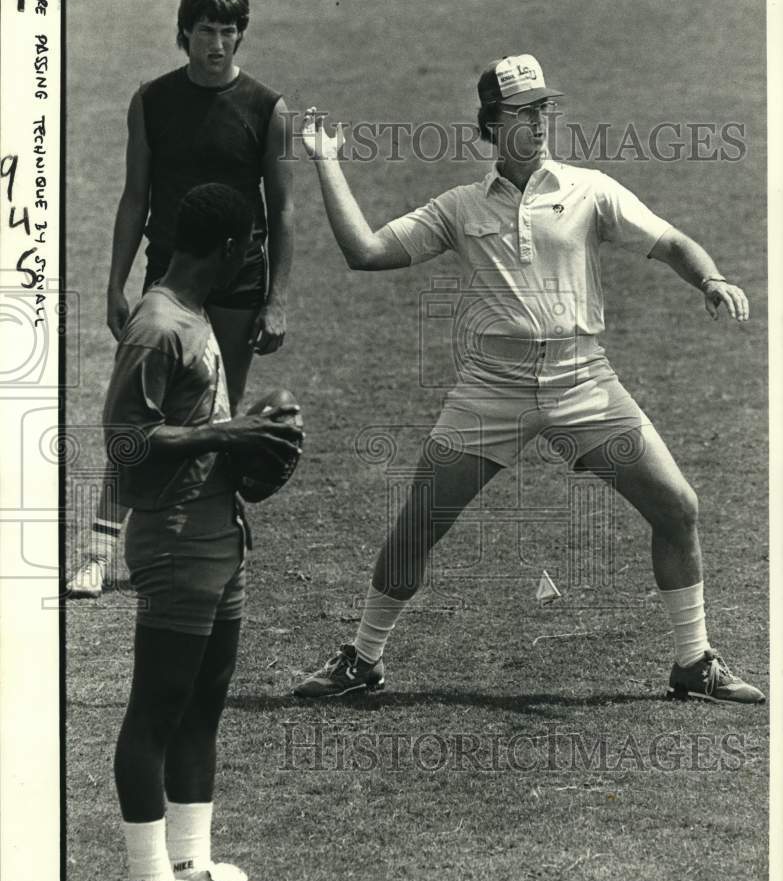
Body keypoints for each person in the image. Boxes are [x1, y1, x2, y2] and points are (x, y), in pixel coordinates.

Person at [293, 54, 764, 705]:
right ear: (491, 123)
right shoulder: (457, 208)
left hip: (583, 383)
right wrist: (326, 161)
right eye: (523, 110)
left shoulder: (588, 190)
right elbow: (364, 252)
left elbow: (672, 242)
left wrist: (709, 279)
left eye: (544, 107)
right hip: (490, 391)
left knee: (677, 507)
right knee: (417, 527)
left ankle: (693, 662)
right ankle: (363, 659)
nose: (540, 120)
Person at [105, 183, 303, 881]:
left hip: (221, 533)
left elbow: (195, 420)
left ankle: (192, 869)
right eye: (250, 248)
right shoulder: (156, 327)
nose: (253, 260)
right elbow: (122, 443)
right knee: (155, 707)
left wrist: (246, 428)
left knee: (202, 707)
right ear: (225, 249)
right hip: (174, 539)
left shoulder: (194, 318)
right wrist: (226, 438)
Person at [68, 0, 293, 598]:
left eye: (227, 31)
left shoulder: (267, 109)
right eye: (204, 31)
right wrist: (116, 285)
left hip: (239, 286)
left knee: (216, 419)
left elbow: (283, 212)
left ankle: (208, 533)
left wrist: (276, 298)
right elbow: (133, 197)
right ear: (184, 33)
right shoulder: (152, 100)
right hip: (168, 284)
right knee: (140, 418)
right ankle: (95, 550)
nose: (216, 43)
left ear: (240, 36)